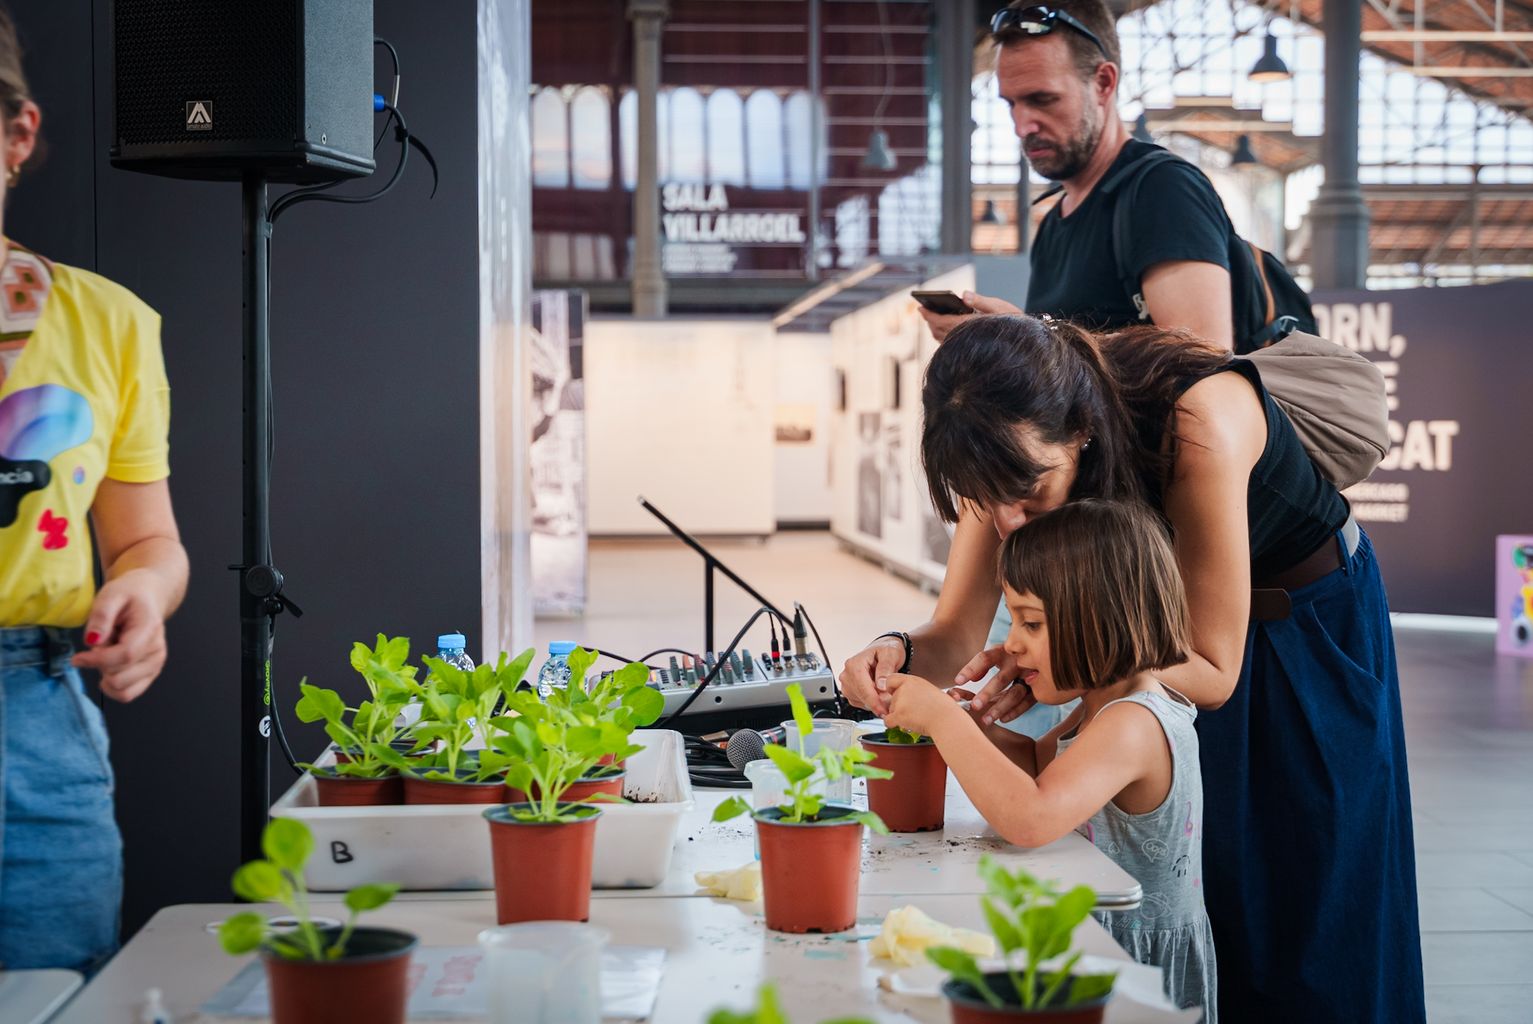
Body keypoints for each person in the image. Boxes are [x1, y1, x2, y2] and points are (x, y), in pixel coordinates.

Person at [840, 315, 1424, 1023]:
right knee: (1190, 881)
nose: (1009, 523)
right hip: (1136, 646)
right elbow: (957, 627)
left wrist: (1074, 653)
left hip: (1296, 628)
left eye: (1028, 491)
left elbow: (1212, 664)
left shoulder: (1199, 416)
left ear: (1082, 429)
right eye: (983, 500)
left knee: (1304, 916)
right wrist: (895, 654)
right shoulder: (997, 453)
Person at [0, 6, 188, 973]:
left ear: (16, 135)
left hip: (38, 715)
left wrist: (144, 598)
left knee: (57, 992)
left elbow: (149, 542)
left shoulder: (108, 324)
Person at [884, 499, 1216, 1020]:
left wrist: (943, 724)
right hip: (1093, 943)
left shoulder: (1134, 722)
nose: (1011, 643)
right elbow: (1040, 766)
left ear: (1101, 617)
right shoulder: (1099, 706)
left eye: (1030, 623)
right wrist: (971, 728)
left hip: (1130, 965)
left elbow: (1032, 817)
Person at [919, 0, 1236, 349]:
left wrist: (1025, 338)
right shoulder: (1055, 220)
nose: (1022, 126)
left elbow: (1203, 357)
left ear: (1103, 82)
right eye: (1011, 103)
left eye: (1043, 99)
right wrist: (1003, 339)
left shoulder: (1163, 190)